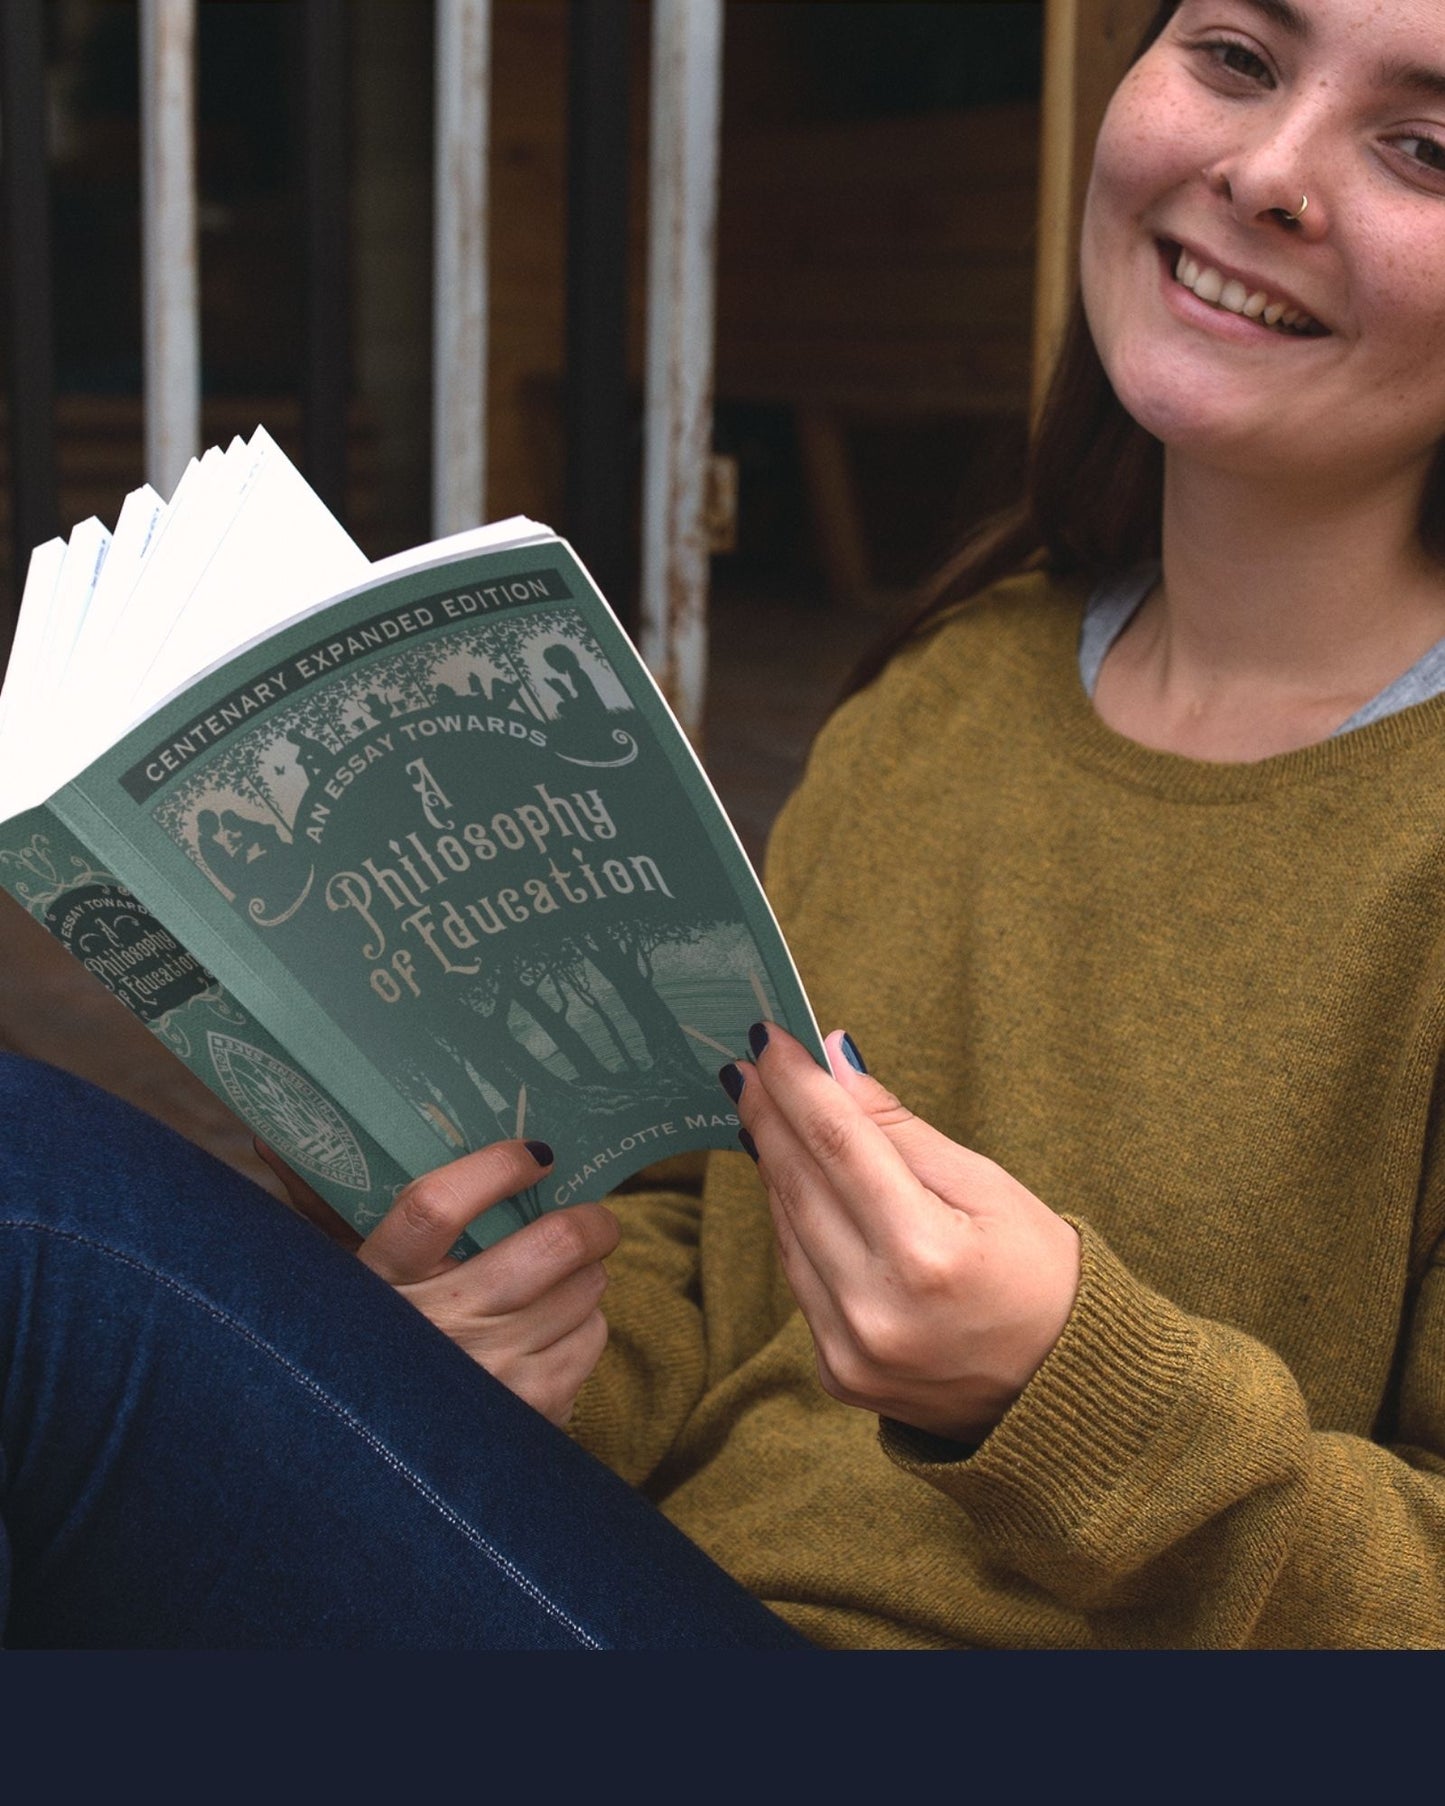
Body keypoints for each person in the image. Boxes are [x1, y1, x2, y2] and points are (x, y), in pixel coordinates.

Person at [6, 0, 1445, 1648]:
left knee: (23, 1208)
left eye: (1423, 148)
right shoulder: (944, 694)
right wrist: (508, 1348)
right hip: (622, 1597)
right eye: (1235, 59)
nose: (1265, 171)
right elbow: (707, 1260)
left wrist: (1072, 1391)